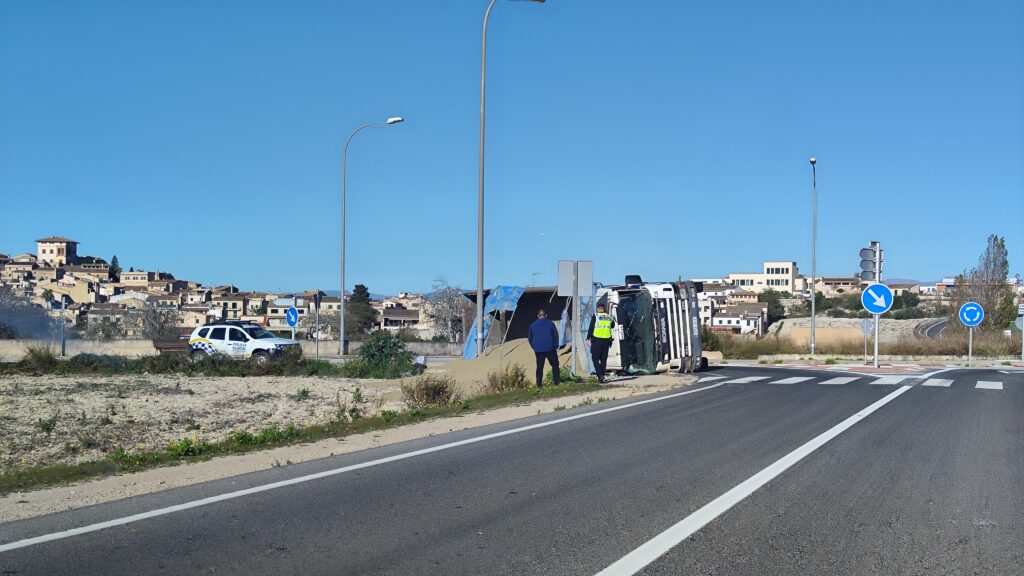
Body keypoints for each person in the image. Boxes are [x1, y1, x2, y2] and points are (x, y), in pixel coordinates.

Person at [528, 308, 560, 388]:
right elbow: (556, 336)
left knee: (539, 367)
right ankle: (557, 382)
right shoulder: (550, 323)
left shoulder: (532, 325)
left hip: (538, 350)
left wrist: (534, 347)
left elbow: (530, 338)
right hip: (550, 348)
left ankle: (539, 384)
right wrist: (555, 346)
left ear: (538, 316)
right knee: (555, 365)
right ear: (546, 315)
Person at [586, 303, 615, 383]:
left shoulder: (596, 316)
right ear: (604, 309)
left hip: (597, 340)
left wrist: (588, 337)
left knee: (595, 358)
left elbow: (591, 327)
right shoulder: (609, 317)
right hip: (606, 340)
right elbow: (612, 326)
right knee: (603, 359)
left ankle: (600, 375)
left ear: (598, 309)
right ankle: (601, 376)